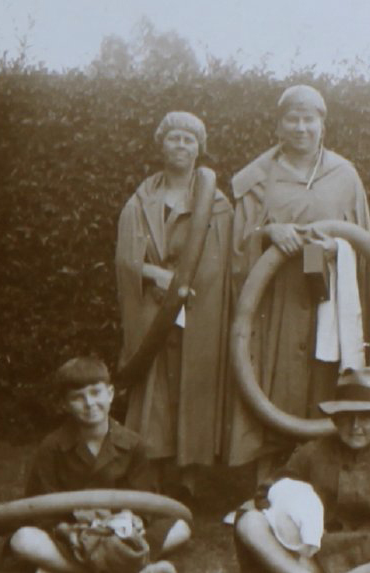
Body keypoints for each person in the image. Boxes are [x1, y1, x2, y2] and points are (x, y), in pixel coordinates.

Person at [226, 85, 370, 476]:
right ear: (278, 125)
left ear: (322, 124)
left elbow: (363, 241)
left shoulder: (344, 176)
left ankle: (322, 473)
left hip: (326, 296)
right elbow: (237, 243)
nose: (301, 127)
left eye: (309, 119)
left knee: (321, 375)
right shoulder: (257, 179)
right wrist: (268, 233)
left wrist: (336, 250)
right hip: (274, 300)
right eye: (292, 118)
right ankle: (267, 475)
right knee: (272, 377)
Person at [115, 111, 233, 499]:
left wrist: (190, 287)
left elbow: (224, 260)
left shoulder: (216, 203)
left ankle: (188, 479)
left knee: (193, 383)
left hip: (200, 308)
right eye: (174, 139)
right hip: (153, 305)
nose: (180, 147)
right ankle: (147, 467)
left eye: (189, 140)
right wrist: (156, 275)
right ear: (161, 145)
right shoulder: (142, 198)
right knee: (153, 387)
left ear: (199, 149)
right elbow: (126, 258)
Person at [235, 367, 370, 573]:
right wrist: (293, 519)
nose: (355, 426)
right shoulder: (311, 454)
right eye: (347, 416)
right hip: (314, 554)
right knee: (250, 521)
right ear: (335, 419)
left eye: (366, 417)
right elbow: (266, 493)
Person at [9, 357, 191, 573]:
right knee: (22, 539)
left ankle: (73, 569)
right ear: (65, 404)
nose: (89, 403)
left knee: (181, 527)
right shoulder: (52, 447)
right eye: (78, 397)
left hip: (120, 532)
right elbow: (41, 508)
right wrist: (69, 530)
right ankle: (133, 569)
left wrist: (130, 520)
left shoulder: (133, 445)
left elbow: (144, 501)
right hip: (72, 535)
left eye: (96, 393)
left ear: (111, 394)